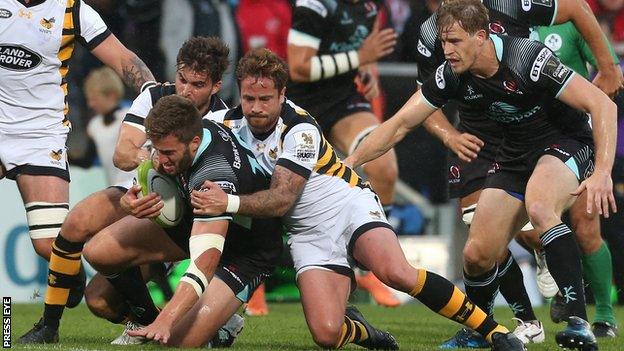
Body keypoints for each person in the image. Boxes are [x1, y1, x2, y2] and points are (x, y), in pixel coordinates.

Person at [192, 48, 525, 351]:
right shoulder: (223, 125)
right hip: (307, 233)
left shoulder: (299, 127)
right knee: (326, 335)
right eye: (249, 98)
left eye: (265, 99)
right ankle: (362, 331)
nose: (256, 108)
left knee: (395, 272)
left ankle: (493, 332)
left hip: (346, 204)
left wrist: (229, 203)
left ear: (282, 94)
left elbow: (281, 200)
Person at [344, 1, 617, 350]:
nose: (447, 51)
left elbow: (603, 105)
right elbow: (398, 125)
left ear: (481, 36)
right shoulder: (450, 74)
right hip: (514, 152)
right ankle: (479, 330)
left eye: (455, 42)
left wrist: (603, 172)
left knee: (540, 205)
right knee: (476, 255)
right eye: (443, 42)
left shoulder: (528, 58)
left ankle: (580, 323)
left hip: (564, 141)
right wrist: (350, 162)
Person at [18, 36, 228, 344]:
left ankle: (204, 319)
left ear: (216, 86)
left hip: (186, 218)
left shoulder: (224, 121)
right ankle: (50, 326)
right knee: (96, 293)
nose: (185, 90)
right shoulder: (155, 95)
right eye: (182, 79)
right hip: (143, 196)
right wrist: (154, 160)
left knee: (102, 256)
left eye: (197, 84)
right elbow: (123, 153)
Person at [78, 95, 281, 347]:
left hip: (246, 251)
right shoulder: (184, 134)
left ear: (194, 144)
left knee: (175, 341)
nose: (160, 160)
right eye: (157, 149)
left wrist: (169, 318)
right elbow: (153, 166)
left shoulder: (213, 176)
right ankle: (146, 319)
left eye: (168, 153)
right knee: (97, 251)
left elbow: (205, 262)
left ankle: (221, 325)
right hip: (195, 220)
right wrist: (128, 203)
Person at [287, 0, 401, 308]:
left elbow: (358, 48)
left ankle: (371, 271)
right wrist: (359, 57)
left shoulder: (372, 6)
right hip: (298, 105)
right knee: (278, 190)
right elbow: (298, 66)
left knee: (384, 169)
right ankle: (253, 283)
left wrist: (364, 67)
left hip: (342, 99)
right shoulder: (315, 5)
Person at [527, 22, 619, 338]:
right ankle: (564, 279)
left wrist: (586, 101)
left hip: (574, 136)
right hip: (523, 136)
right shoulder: (503, 14)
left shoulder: (570, 18)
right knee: (527, 226)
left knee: (585, 225)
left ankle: (605, 316)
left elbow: (612, 72)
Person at [84, 67, 135, 186]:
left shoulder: (129, 118)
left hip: (136, 187)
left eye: (94, 99)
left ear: (111, 95)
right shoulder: (94, 125)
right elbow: (88, 160)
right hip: (114, 189)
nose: (90, 104)